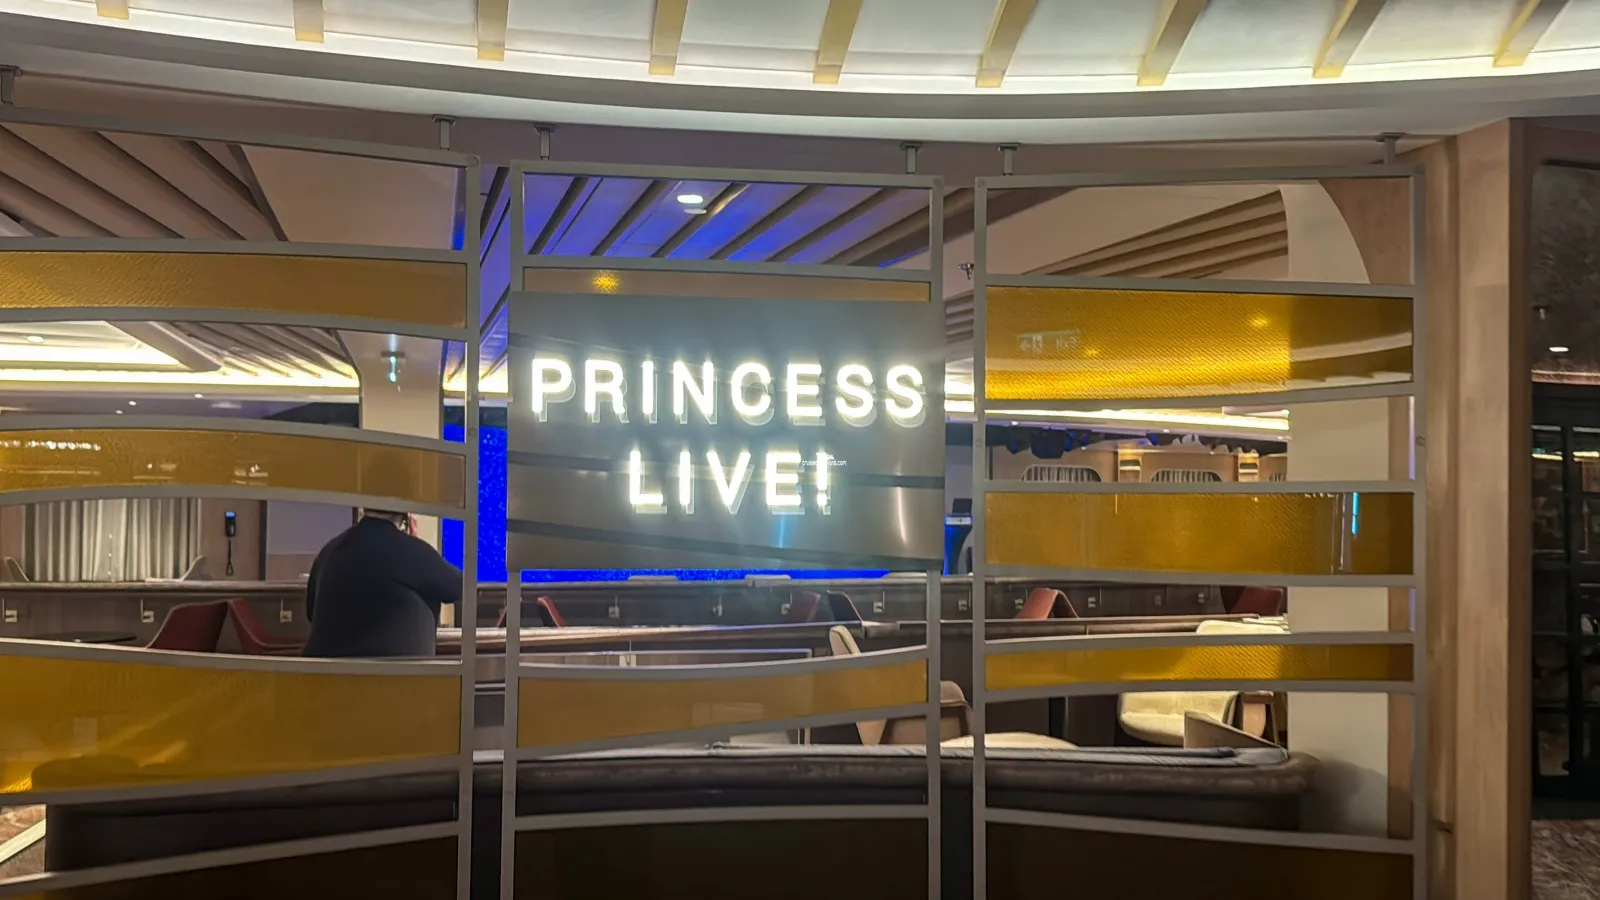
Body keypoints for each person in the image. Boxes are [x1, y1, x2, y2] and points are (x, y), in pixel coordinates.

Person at [302, 508, 461, 658]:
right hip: (392, 674)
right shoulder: (407, 550)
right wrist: (415, 545)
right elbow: (457, 587)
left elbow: (311, 612)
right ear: (406, 516)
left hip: (322, 673)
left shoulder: (330, 550)